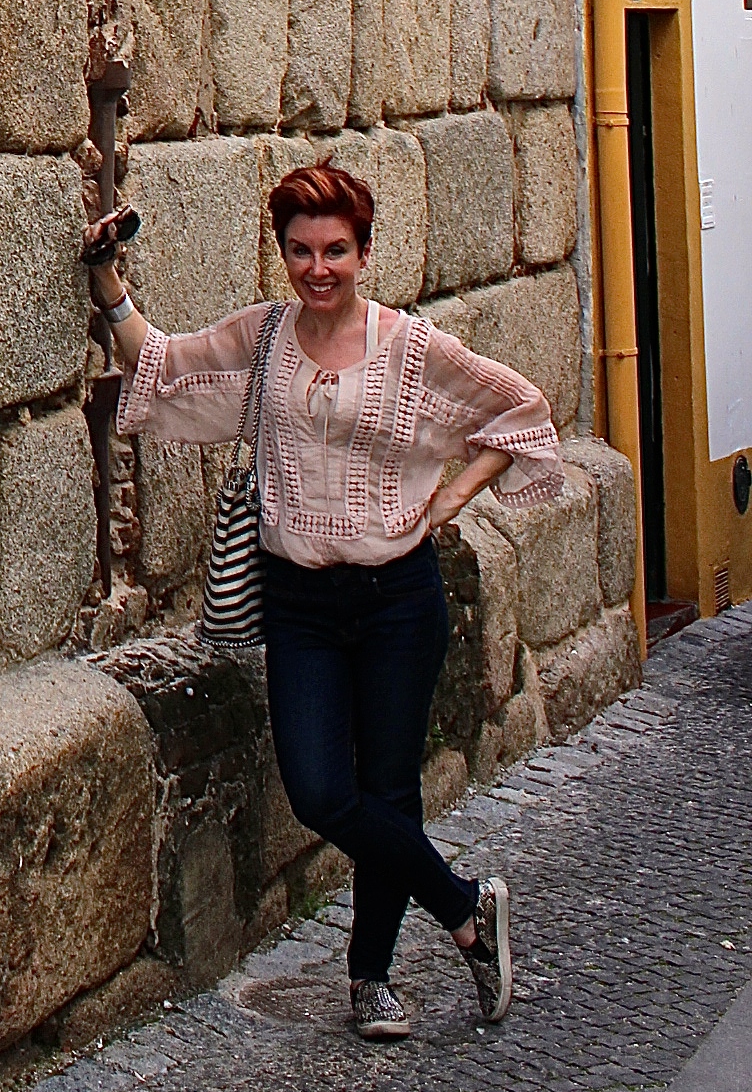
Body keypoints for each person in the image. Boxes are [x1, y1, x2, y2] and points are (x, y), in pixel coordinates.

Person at [85, 158, 566, 1041]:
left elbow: (520, 410)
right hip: (299, 602)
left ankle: (370, 979)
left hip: (398, 601)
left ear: (364, 252)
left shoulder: (410, 347)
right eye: (301, 250)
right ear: (283, 253)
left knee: (387, 790)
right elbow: (161, 365)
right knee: (318, 791)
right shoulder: (262, 338)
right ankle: (465, 910)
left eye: (336, 250)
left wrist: (449, 502)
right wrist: (106, 282)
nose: (318, 268)